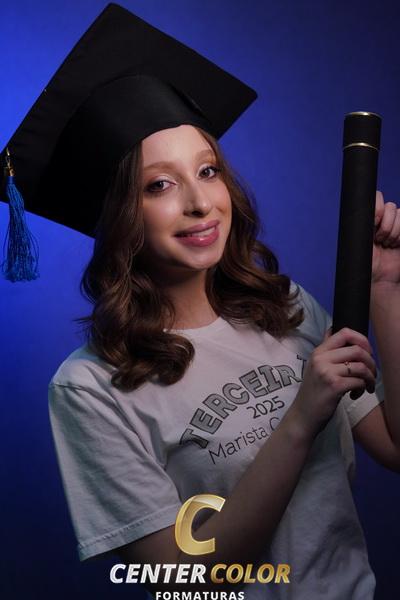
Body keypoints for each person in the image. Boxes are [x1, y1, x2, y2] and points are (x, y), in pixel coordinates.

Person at [2, 4, 399, 600]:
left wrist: (385, 289)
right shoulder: (90, 388)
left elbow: (394, 445)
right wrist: (300, 418)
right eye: (159, 184)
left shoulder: (286, 307)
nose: (199, 202)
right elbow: (181, 578)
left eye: (208, 171)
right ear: (119, 215)